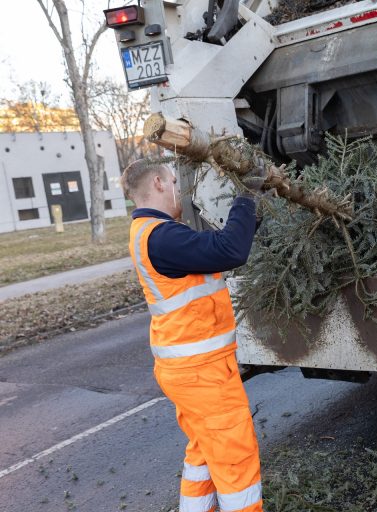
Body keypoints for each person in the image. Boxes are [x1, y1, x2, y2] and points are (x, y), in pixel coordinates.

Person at [121, 159, 265, 512]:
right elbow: (230, 250)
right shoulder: (163, 236)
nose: (178, 188)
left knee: (202, 453)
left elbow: (218, 248)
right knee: (236, 462)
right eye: (173, 180)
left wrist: (254, 213)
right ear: (157, 182)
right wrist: (246, 196)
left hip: (186, 369)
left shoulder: (151, 233)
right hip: (203, 374)